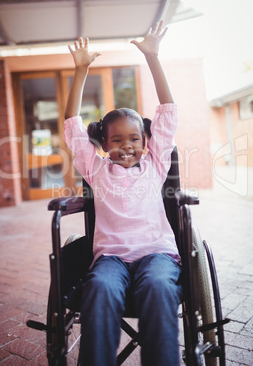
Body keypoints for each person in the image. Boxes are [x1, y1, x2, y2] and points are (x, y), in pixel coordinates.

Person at [64, 21, 183, 366]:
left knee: (160, 287)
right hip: (111, 259)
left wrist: (153, 57)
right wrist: (81, 70)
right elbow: (73, 124)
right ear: (104, 144)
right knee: (99, 289)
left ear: (146, 143)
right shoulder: (98, 170)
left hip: (157, 255)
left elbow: (169, 114)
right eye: (116, 140)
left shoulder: (156, 166)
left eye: (134, 139)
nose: (126, 147)